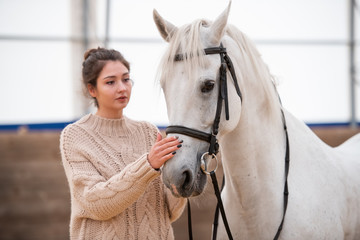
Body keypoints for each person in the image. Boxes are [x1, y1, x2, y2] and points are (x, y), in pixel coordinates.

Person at [60, 47, 186, 239]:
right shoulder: (75, 136)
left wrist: (183, 173)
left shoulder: (148, 131)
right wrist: (148, 165)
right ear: (92, 89)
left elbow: (169, 212)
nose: (122, 88)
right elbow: (96, 204)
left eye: (126, 79)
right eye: (110, 82)